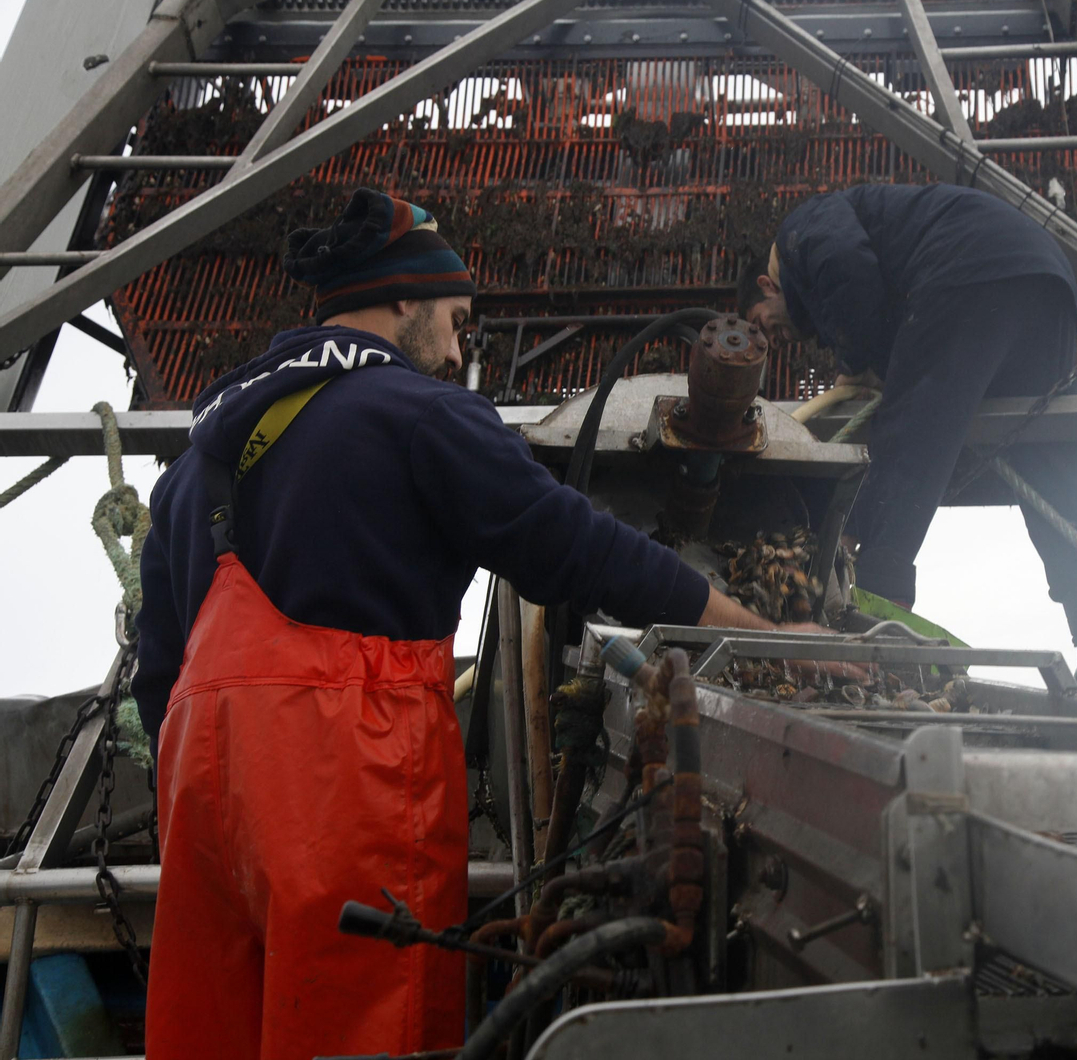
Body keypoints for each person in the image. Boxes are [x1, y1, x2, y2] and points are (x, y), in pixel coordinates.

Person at [132, 188, 797, 1059]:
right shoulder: (420, 413)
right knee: (366, 1029)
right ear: (402, 298)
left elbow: (158, 677)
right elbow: (575, 546)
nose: (455, 348)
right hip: (345, 781)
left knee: (210, 1035)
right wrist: (742, 624)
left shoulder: (196, 465)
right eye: (454, 318)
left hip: (199, 794)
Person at [737, 182, 1077, 699]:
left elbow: (848, 271)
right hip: (1047, 282)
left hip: (969, 268)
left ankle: (874, 634)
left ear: (768, 286)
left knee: (907, 443)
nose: (770, 340)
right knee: (1055, 458)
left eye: (758, 325)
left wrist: (862, 363)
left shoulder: (799, 232)